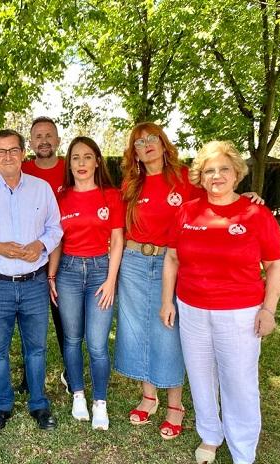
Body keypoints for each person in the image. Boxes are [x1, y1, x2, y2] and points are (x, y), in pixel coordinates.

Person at [161, 141, 280, 464]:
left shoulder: (255, 214)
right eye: (209, 170)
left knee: (239, 383)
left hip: (240, 313)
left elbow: (276, 264)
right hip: (192, 308)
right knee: (200, 377)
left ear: (236, 174)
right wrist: (167, 301)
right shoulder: (186, 211)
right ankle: (210, 436)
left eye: (224, 169)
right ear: (200, 177)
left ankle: (243, 453)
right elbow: (172, 258)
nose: (216, 176)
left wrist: (269, 310)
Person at [0, 129, 63, 432]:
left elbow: (55, 227)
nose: (7, 156)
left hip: (33, 283)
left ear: (22, 154)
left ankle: (39, 404)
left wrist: (41, 245)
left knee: (36, 348)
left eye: (13, 150)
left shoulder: (41, 188)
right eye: (1, 151)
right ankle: (1, 405)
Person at [113, 122, 201, 439]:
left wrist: (245, 197)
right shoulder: (130, 185)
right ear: (133, 153)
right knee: (138, 330)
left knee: (168, 331)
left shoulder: (185, 177)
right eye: (139, 142)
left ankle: (175, 405)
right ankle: (148, 397)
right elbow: (117, 228)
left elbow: (217, 198)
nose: (146, 145)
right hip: (134, 264)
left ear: (164, 144)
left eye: (152, 139)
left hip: (172, 263)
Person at [47, 137, 124, 430]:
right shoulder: (61, 197)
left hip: (99, 271)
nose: (81, 163)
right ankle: (78, 394)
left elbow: (117, 240)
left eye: (87, 157)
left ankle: (100, 402)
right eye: (75, 158)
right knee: (71, 338)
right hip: (67, 270)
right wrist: (51, 275)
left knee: (97, 343)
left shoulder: (111, 196)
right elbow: (56, 242)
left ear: (97, 161)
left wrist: (110, 280)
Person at [22, 116, 69, 395]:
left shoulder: (69, 169)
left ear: (58, 140)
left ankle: (70, 372)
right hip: (33, 258)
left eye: (49, 135)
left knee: (65, 321)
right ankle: (30, 376)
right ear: (30, 142)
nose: (44, 141)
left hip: (69, 257)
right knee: (31, 322)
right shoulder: (23, 170)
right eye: (38, 136)